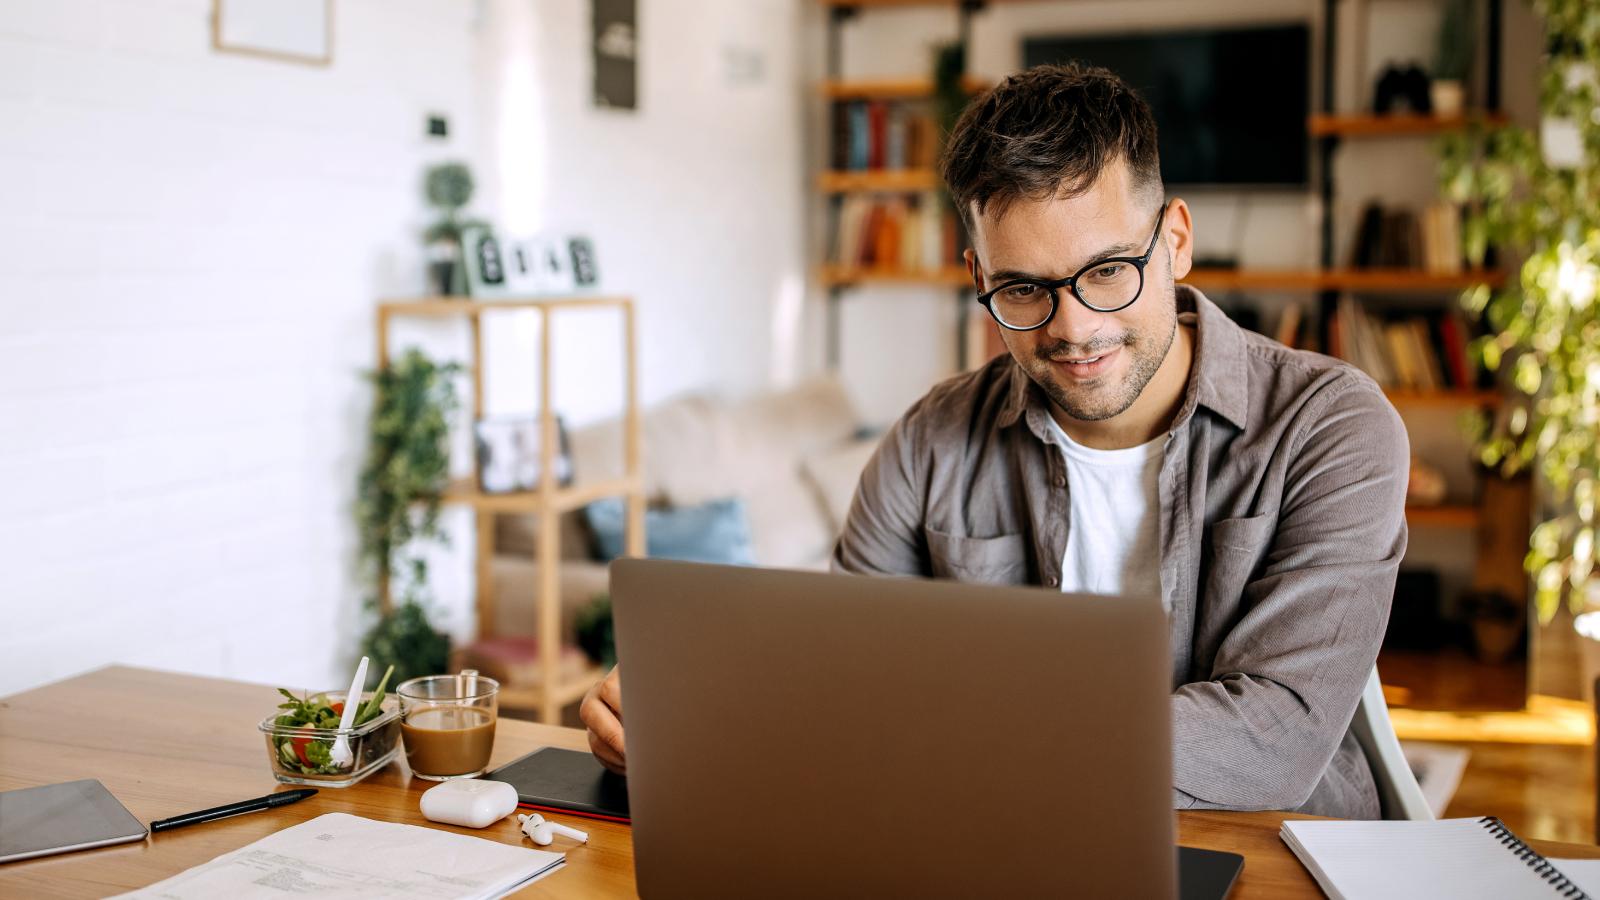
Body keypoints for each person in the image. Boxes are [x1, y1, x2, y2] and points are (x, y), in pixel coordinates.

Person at [581, 63, 1408, 819]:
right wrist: (684, 723)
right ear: (979, 278)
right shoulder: (929, 443)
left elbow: (1271, 745)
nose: (1076, 327)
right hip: (998, 840)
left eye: (1110, 269)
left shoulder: (1330, 428)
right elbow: (844, 678)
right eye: (1024, 288)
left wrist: (946, 737)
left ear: (1176, 241)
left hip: (1263, 848)